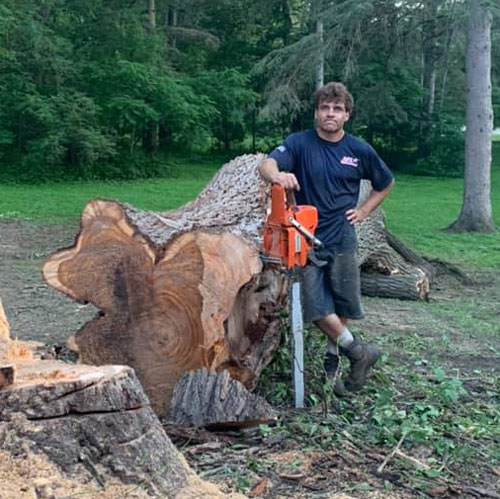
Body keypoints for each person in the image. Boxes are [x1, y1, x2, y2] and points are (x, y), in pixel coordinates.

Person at [258, 82, 394, 396]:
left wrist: (364, 211)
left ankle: (334, 372)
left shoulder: (358, 150)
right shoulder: (299, 144)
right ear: (317, 112)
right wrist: (277, 175)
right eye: (324, 108)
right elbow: (267, 163)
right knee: (313, 304)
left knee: (342, 301)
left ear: (346, 115)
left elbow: (385, 183)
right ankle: (359, 352)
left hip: (343, 236)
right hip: (304, 237)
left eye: (337, 109)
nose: (330, 114)